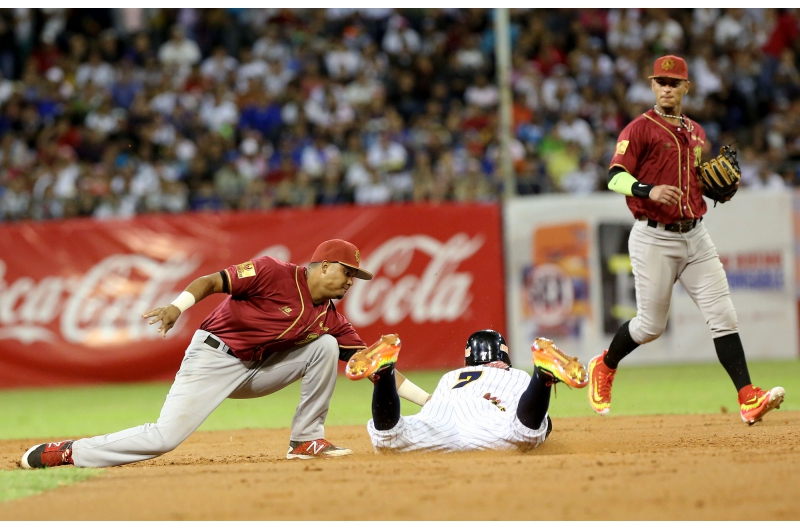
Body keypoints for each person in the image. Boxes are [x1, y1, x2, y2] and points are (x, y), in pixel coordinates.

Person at [21, 239, 432, 468]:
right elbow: (210, 281)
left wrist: (431, 402)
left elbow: (376, 367)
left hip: (256, 370)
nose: (351, 282)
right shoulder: (274, 271)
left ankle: (306, 440)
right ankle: (72, 451)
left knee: (325, 346)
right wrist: (176, 307)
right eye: (348, 272)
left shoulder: (330, 317)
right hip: (214, 358)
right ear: (324, 266)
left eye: (356, 276)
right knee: (164, 438)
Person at [593, 55, 785, 425]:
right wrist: (646, 189)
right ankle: (606, 364)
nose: (666, 88)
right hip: (653, 237)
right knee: (651, 326)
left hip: (695, 235)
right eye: (660, 82)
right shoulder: (639, 129)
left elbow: (696, 178)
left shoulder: (697, 132)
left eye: (673, 82)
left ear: (686, 87)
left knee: (723, 315)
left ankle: (748, 397)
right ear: (652, 85)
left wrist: (716, 187)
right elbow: (614, 177)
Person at [346, 330, 588, 453]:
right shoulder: (514, 375)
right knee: (525, 433)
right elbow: (535, 420)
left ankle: (385, 374)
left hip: (438, 420)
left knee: (390, 439)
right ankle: (542, 376)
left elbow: (430, 402)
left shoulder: (450, 377)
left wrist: (390, 380)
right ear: (504, 355)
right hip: (491, 419)